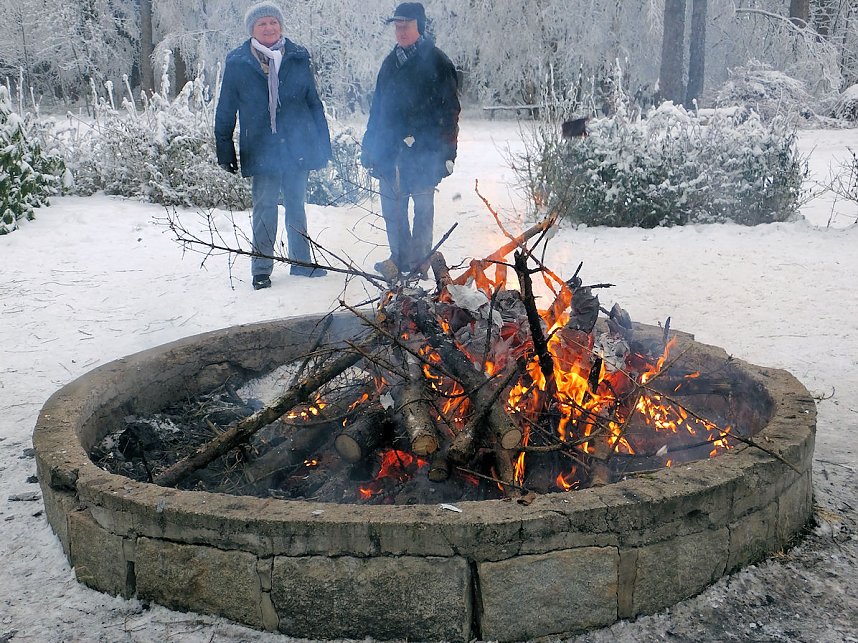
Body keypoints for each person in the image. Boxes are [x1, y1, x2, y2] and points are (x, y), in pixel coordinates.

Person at [215, 1, 332, 289]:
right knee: (265, 207)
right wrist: (224, 147)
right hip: (261, 146)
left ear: (280, 26)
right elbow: (226, 108)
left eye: (273, 22)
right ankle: (261, 269)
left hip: (297, 144)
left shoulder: (298, 57)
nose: (269, 28)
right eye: (262, 24)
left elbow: (313, 102)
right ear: (252, 30)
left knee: (296, 205)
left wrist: (323, 143)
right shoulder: (238, 62)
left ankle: (302, 264)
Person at [360, 2, 460, 278]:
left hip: (425, 150)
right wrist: (370, 144)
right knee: (392, 207)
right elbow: (377, 108)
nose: (400, 31)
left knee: (422, 208)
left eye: (406, 25)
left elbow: (450, 111)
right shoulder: (390, 63)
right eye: (397, 25)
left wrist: (447, 153)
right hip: (389, 149)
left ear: (420, 26)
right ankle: (399, 259)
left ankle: (419, 263)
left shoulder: (438, 61)